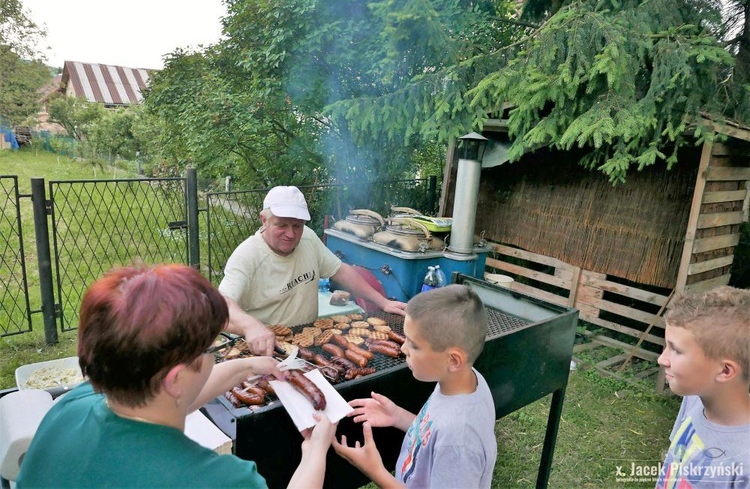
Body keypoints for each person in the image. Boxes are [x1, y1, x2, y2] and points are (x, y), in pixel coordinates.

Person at [17, 263, 336, 488]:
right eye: (209, 350)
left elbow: (178, 395)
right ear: (176, 379)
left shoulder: (69, 405)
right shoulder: (219, 480)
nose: (211, 356)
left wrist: (249, 366)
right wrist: (314, 453)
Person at [333, 284, 497, 488]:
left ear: (453, 360)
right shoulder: (462, 381)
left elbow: (447, 436)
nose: (403, 348)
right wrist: (397, 416)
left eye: (413, 344)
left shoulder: (459, 439)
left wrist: (375, 471)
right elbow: (433, 433)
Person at [219, 185, 407, 355]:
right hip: (264, 348)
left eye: (297, 226)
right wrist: (251, 326)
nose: (291, 234)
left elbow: (340, 271)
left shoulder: (307, 238)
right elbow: (220, 306)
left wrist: (383, 302)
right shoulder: (246, 256)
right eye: (282, 225)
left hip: (308, 341)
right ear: (264, 220)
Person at [655, 285, 749, 488]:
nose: (661, 359)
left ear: (725, 371)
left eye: (676, 350)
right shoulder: (694, 400)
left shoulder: (745, 463)